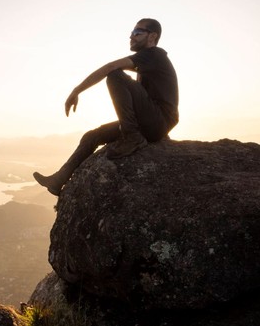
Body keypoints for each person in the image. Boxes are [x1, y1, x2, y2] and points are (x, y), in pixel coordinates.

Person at [33, 18, 179, 196]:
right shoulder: (147, 62)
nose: (131, 36)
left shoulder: (154, 55)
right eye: (131, 32)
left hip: (158, 122)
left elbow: (111, 67)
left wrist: (76, 90)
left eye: (137, 32)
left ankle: (132, 137)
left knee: (115, 75)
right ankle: (58, 180)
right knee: (92, 136)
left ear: (152, 36)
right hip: (149, 123)